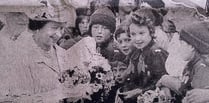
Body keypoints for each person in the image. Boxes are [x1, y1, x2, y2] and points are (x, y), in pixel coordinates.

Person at [0, 5, 76, 103]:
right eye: (54, 28)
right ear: (38, 28)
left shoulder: (63, 54)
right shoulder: (20, 54)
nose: (58, 34)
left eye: (61, 29)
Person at [117, 14, 168, 102]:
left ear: (151, 33)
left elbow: (162, 81)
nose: (137, 38)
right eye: (133, 34)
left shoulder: (156, 53)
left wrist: (140, 91)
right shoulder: (137, 51)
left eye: (141, 33)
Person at [157, 21, 209, 103]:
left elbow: (189, 92)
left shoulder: (202, 67)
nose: (179, 48)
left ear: (192, 46)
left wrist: (165, 80)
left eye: (181, 44)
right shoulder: (192, 64)